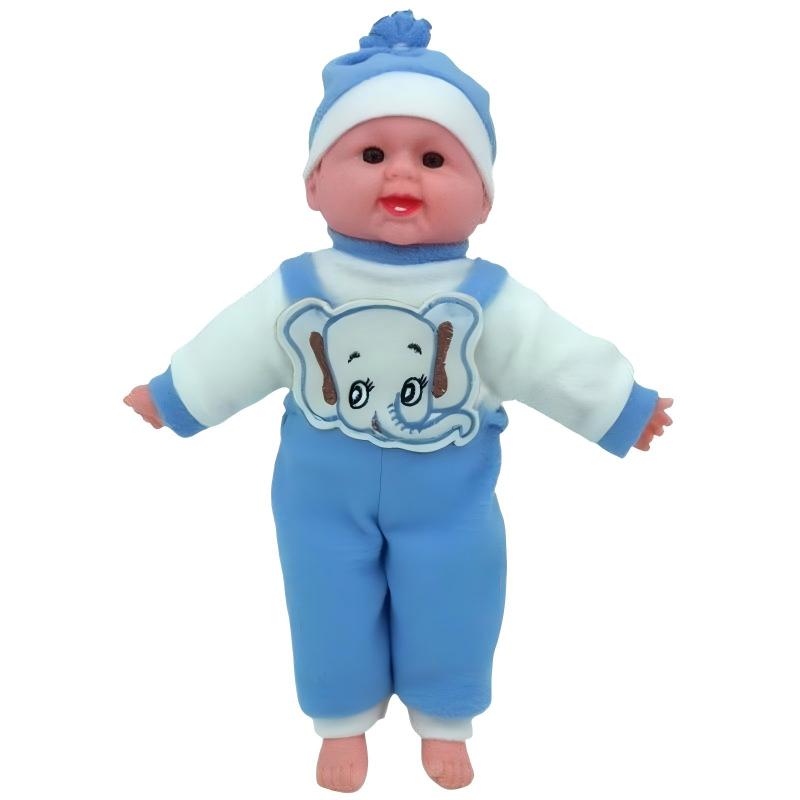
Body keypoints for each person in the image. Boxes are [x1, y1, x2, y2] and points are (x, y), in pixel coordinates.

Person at [124, 10, 673, 793]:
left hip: (449, 499)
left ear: (484, 200)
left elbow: (554, 355)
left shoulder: (489, 299)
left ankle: (445, 718)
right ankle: (340, 720)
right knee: (325, 595)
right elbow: (233, 348)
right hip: (319, 496)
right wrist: (176, 395)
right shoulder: (298, 288)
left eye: (435, 158)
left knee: (457, 592)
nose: (401, 177)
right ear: (314, 184)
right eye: (372, 154)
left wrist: (621, 404)